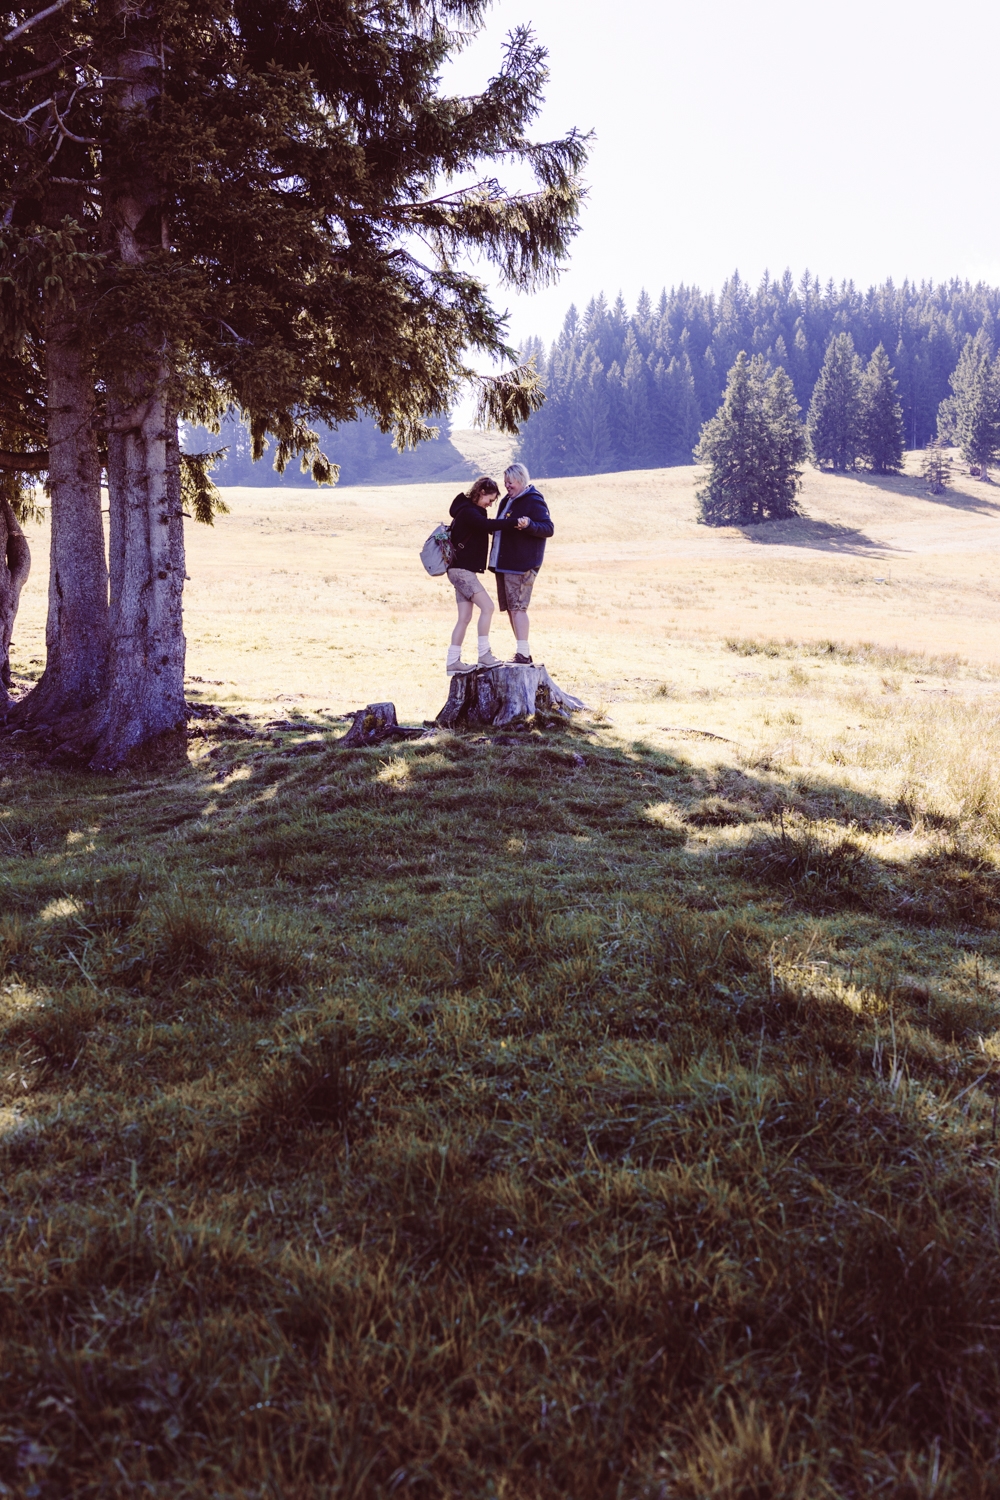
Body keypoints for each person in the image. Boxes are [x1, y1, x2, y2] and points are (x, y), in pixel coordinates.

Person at [444, 476, 518, 674]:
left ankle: (453, 662)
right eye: (490, 500)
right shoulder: (469, 512)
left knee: (465, 617)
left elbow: (486, 526)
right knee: (488, 607)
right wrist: (512, 523)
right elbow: (487, 526)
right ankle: (484, 655)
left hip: (458, 570)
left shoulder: (468, 511)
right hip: (462, 572)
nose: (490, 504)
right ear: (481, 493)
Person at [488, 461, 553, 664]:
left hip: (521, 565)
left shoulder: (533, 500)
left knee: (518, 608)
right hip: (504, 565)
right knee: (510, 609)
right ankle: (522, 652)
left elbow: (548, 528)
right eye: (505, 482)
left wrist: (529, 525)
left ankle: (523, 654)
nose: (506, 486)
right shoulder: (507, 501)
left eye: (510, 482)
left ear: (521, 480)